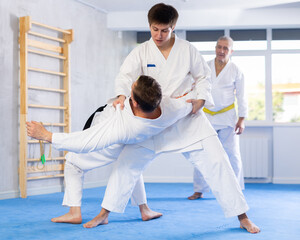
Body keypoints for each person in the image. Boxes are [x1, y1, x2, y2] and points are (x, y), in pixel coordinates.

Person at [86, 3, 260, 234]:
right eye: (155, 29)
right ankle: (104, 213)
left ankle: (243, 216)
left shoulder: (187, 50)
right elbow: (125, 76)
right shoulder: (141, 51)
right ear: (149, 26)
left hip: (185, 117)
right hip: (153, 119)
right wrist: (120, 95)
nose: (159, 35)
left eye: (164, 30)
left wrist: (200, 99)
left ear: (173, 27)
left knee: (219, 162)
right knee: (126, 165)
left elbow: (203, 77)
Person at [26, 75, 193, 224]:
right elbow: (189, 103)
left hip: (112, 145)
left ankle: (74, 212)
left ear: (134, 103)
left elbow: (85, 141)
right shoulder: (170, 109)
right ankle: (145, 210)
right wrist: (190, 94)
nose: (129, 90)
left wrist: (47, 135)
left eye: (131, 90)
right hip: (136, 142)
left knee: (73, 163)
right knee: (131, 166)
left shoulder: (120, 126)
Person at [188, 36, 247, 200]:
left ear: (231, 51)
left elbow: (242, 96)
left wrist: (241, 119)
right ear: (215, 48)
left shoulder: (236, 70)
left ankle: (236, 188)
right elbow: (195, 88)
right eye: (219, 47)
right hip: (206, 115)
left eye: (225, 48)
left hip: (228, 117)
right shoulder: (205, 67)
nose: (221, 51)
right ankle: (199, 189)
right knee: (201, 152)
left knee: (232, 154)